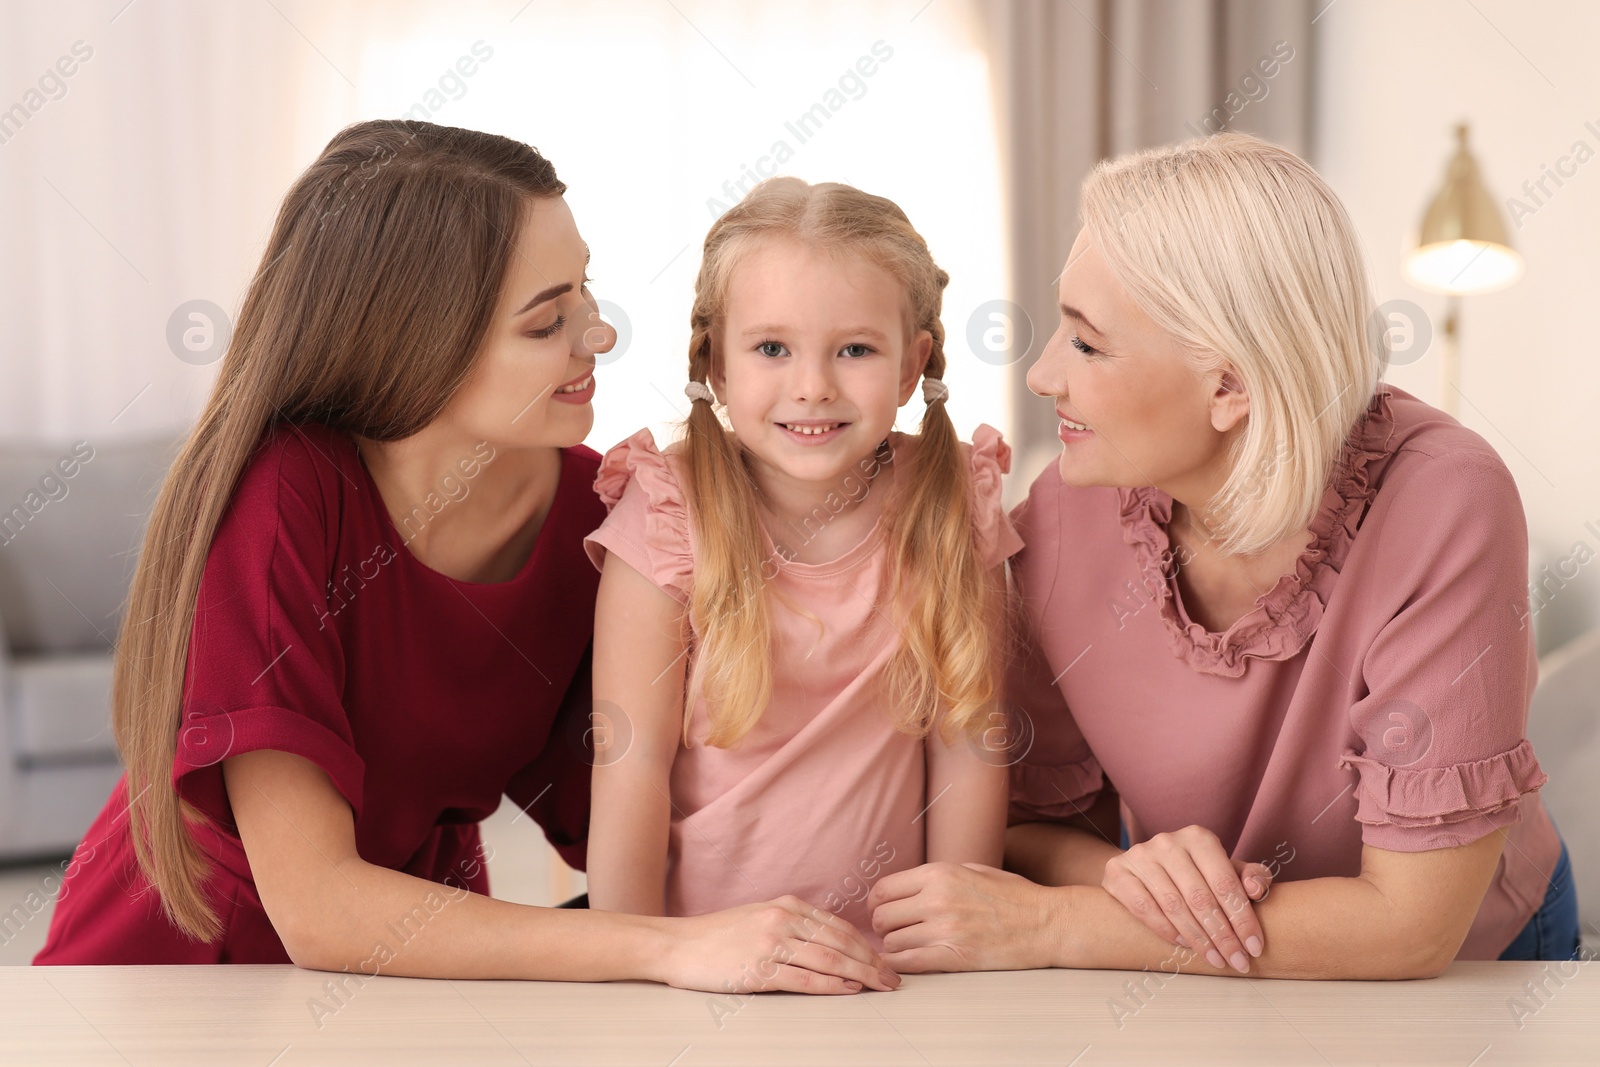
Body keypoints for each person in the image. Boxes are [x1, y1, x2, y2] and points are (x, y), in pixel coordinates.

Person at [36, 121, 896, 995]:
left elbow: (664, 801)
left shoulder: (596, 513)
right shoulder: (287, 497)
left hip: (426, 953)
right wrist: (666, 950)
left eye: (585, 296)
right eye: (545, 323)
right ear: (419, 343)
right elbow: (318, 906)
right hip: (183, 970)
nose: (596, 337)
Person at [868, 132, 1573, 978]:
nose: (1043, 374)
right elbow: (1035, 826)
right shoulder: (1066, 513)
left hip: (1475, 967)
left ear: (1231, 385)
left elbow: (1411, 926)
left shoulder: (1444, 501)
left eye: (1087, 343)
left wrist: (1061, 926)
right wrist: (1128, 878)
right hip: (1219, 964)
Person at [584, 177, 1021, 957]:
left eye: (854, 349)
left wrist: (959, 951)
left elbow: (968, 744)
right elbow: (631, 761)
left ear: (911, 363)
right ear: (716, 363)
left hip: (892, 964)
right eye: (772, 349)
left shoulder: (954, 499)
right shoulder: (666, 511)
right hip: (703, 960)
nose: (813, 385)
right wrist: (633, 964)